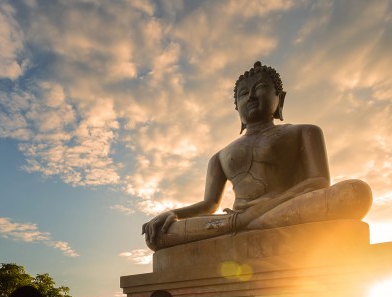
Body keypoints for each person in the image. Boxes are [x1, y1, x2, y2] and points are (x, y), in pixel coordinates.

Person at [142, 61, 373, 251]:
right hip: (230, 220)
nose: (250, 97)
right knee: (158, 236)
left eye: (260, 88)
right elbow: (209, 205)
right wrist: (172, 213)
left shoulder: (304, 131)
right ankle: (249, 224)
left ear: (279, 99)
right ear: (237, 108)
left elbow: (318, 182)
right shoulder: (220, 156)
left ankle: (249, 224)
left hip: (283, 209)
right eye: (243, 94)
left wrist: (257, 212)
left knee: (356, 193)